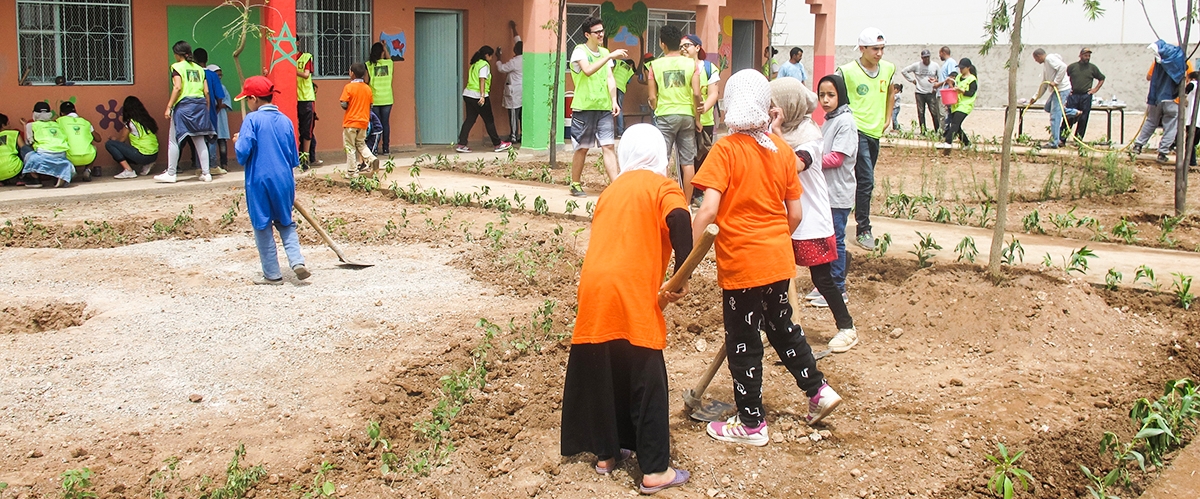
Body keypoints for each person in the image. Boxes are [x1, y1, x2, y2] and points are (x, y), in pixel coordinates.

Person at [692, 70, 842, 447]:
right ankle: (818, 391)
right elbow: (795, 215)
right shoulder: (780, 153)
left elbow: (708, 211)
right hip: (777, 260)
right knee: (783, 328)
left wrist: (686, 257)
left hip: (743, 263)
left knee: (743, 340)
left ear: (728, 107)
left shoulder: (725, 150)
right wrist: (772, 240)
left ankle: (752, 424)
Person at [560, 122, 693, 495]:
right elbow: (681, 219)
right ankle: (654, 471)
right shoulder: (663, 187)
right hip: (632, 292)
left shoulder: (611, 191)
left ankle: (606, 455)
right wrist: (681, 275)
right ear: (660, 156)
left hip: (594, 290)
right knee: (647, 380)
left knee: (605, 369)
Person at [770, 77, 858, 353]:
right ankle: (774, 326)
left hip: (811, 219)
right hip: (788, 216)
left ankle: (847, 327)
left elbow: (792, 165)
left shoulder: (810, 135)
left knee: (822, 279)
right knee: (777, 277)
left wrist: (776, 133)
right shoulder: (780, 131)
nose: (772, 111)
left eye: (775, 106)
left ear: (789, 106)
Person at [233, 76, 310, 285]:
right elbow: (294, 157)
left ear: (253, 99)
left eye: (247, 99)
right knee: (286, 222)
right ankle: (296, 261)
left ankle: (272, 274)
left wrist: (238, 140)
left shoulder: (251, 120)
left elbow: (242, 153)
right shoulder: (285, 121)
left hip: (259, 180)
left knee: (262, 225)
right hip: (284, 180)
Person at [836, 27, 896, 252]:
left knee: (862, 181)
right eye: (875, 49)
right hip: (856, 130)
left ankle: (850, 218)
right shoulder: (847, 71)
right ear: (862, 49)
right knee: (866, 179)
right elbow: (834, 96)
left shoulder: (888, 69)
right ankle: (864, 229)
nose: (879, 53)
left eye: (882, 49)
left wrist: (888, 117)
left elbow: (891, 92)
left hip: (875, 132)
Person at [813, 74, 858, 324]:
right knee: (825, 238)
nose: (826, 100)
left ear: (840, 94)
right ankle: (825, 285)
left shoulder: (845, 122)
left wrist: (808, 160)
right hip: (826, 192)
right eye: (822, 95)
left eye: (830, 95)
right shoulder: (829, 120)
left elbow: (837, 158)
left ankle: (837, 286)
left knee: (837, 240)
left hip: (838, 193)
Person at [568, 16, 626, 196]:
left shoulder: (604, 52)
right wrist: (609, 55)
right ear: (587, 34)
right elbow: (588, 70)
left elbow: (610, 78)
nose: (601, 34)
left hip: (603, 107)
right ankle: (575, 183)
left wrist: (614, 100)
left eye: (602, 31)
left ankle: (616, 186)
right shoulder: (579, 51)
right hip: (584, 107)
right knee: (582, 148)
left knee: (608, 146)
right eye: (597, 32)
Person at [647, 25, 702, 203]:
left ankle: (660, 201)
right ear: (679, 43)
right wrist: (698, 118)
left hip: (665, 115)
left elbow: (652, 97)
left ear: (662, 44)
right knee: (687, 163)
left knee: (662, 160)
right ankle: (685, 203)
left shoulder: (654, 65)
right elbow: (696, 93)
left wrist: (655, 107)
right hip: (687, 115)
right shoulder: (691, 64)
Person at [156, 40, 213, 183]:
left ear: (177, 54)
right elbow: (206, 91)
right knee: (200, 139)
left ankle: (171, 173)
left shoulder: (176, 67)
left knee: (174, 140)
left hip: (184, 106)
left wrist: (169, 106)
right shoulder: (200, 69)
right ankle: (206, 173)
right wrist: (206, 108)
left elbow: (177, 87)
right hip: (199, 105)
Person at [1133, 41, 1191, 164]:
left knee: (1151, 122)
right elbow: (1190, 79)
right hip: (1173, 100)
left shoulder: (1157, 61)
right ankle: (1162, 152)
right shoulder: (1184, 62)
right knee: (1171, 126)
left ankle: (1138, 146)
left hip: (1156, 98)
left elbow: (1149, 77)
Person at [683, 34, 721, 204]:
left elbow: (713, 94)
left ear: (697, 48)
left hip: (705, 121)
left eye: (687, 45)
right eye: (681, 46)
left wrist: (703, 109)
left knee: (702, 159)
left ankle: (698, 193)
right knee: (686, 159)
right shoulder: (680, 66)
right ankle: (685, 194)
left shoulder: (709, 68)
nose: (684, 49)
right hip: (685, 119)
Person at [455, 46, 512, 154]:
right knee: (489, 120)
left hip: (468, 94)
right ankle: (497, 144)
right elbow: (482, 80)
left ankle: (461, 144)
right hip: (478, 96)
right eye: (491, 56)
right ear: (487, 55)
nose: (491, 58)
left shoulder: (475, 64)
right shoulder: (484, 65)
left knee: (470, 119)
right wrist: (482, 96)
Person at [1029, 48, 1077, 149]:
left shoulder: (1050, 58)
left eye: (1035, 59)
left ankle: (1054, 142)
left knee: (1055, 116)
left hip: (1061, 89)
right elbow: (1044, 84)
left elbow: (1063, 67)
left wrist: (1056, 81)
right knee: (1048, 108)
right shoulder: (1046, 65)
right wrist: (1035, 97)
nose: (1035, 61)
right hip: (1056, 91)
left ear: (1038, 56)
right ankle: (1073, 112)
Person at [21, 101, 74, 188]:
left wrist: (24, 125)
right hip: (61, 153)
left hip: (44, 153)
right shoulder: (56, 124)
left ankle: (35, 179)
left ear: (34, 113)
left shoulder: (31, 125)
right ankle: (57, 176)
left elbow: (28, 142)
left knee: (25, 149)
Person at [193, 49, 228, 175]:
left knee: (198, 138)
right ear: (206, 60)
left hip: (196, 110)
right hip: (210, 109)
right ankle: (212, 165)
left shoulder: (193, 74)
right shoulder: (212, 75)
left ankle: (199, 166)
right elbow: (219, 94)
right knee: (212, 138)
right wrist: (218, 106)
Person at [106, 96, 160, 178]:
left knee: (110, 144)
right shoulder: (147, 120)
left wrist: (114, 140)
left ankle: (128, 170)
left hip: (143, 155)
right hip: (154, 155)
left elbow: (122, 140)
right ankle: (147, 165)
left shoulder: (130, 123)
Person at [340, 62, 378, 174]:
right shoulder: (367, 89)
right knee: (361, 144)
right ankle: (372, 159)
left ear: (352, 73)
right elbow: (371, 105)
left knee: (350, 147)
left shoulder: (348, 87)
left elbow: (343, 103)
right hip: (364, 122)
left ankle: (352, 171)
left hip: (351, 122)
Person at [1065, 48, 1105, 141]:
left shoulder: (1092, 68)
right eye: (1085, 55)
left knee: (1083, 118)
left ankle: (1078, 139)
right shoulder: (1072, 67)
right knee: (1069, 117)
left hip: (1085, 96)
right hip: (1073, 95)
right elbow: (1064, 78)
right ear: (1080, 55)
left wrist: (1095, 89)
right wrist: (1067, 89)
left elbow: (1101, 78)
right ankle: (1062, 138)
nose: (1087, 57)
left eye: (1089, 56)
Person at [938, 59, 978, 150]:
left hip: (965, 105)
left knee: (955, 124)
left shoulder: (972, 79)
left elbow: (971, 93)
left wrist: (962, 91)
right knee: (957, 125)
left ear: (968, 68)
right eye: (960, 68)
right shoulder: (959, 77)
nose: (961, 70)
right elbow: (954, 89)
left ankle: (948, 142)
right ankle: (967, 143)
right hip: (956, 104)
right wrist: (950, 84)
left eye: (963, 68)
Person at [56, 101, 100, 181]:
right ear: (75, 110)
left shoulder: (59, 121)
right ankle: (88, 170)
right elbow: (98, 139)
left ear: (61, 113)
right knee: (94, 147)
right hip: (88, 157)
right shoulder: (86, 122)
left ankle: (69, 171)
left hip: (69, 157)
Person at [901, 49, 941, 133]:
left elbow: (940, 78)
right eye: (924, 58)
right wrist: (912, 80)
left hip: (931, 92)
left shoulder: (935, 65)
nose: (926, 59)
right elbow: (904, 71)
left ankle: (937, 130)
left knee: (934, 112)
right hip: (920, 92)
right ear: (922, 58)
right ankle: (923, 131)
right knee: (921, 112)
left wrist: (936, 86)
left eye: (927, 57)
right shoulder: (917, 65)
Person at [496, 21, 524, 143]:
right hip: (523, 90)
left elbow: (501, 68)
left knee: (513, 113)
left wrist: (498, 58)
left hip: (515, 91)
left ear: (515, 50)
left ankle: (513, 136)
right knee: (522, 115)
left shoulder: (515, 62)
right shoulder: (527, 58)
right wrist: (514, 28)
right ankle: (523, 135)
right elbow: (518, 41)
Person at [366, 42, 394, 154]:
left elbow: (366, 81)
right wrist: (385, 47)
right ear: (382, 53)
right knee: (385, 123)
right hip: (387, 98)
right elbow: (388, 57)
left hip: (375, 99)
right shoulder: (389, 64)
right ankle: (386, 148)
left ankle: (375, 148)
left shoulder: (369, 65)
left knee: (375, 125)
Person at [206, 65, 232, 173]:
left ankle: (224, 163)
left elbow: (226, 101)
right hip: (210, 115)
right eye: (217, 75)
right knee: (210, 140)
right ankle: (210, 164)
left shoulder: (223, 87)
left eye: (221, 75)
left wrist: (219, 107)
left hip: (220, 116)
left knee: (222, 141)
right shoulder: (207, 87)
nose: (219, 77)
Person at [296, 46, 318, 167]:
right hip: (294, 98)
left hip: (306, 98)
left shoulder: (306, 57)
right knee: (298, 129)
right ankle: (303, 157)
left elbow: (306, 74)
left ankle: (306, 159)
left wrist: (292, 70)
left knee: (307, 130)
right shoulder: (285, 58)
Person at [934, 47, 958, 130]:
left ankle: (944, 133)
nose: (939, 56)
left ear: (943, 52)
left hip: (945, 94)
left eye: (940, 53)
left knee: (943, 115)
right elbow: (945, 78)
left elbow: (951, 78)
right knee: (941, 114)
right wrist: (937, 80)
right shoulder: (946, 63)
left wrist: (938, 84)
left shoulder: (951, 62)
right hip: (941, 93)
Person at [612, 59, 635, 137]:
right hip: (621, 88)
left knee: (608, 107)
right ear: (631, 64)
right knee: (619, 109)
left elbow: (610, 66)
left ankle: (609, 130)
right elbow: (628, 81)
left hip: (612, 86)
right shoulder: (631, 70)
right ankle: (620, 131)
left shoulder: (619, 62)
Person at [0, 114, 24, 184]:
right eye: (8, 123)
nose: (10, 125)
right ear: (3, 125)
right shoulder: (14, 133)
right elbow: (24, 148)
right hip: (13, 169)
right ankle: (21, 178)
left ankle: (2, 181)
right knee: (24, 151)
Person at [1185, 71, 1199, 167]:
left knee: (1190, 142)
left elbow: (1183, 95)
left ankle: (1191, 162)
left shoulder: (1193, 84)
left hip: (1193, 119)